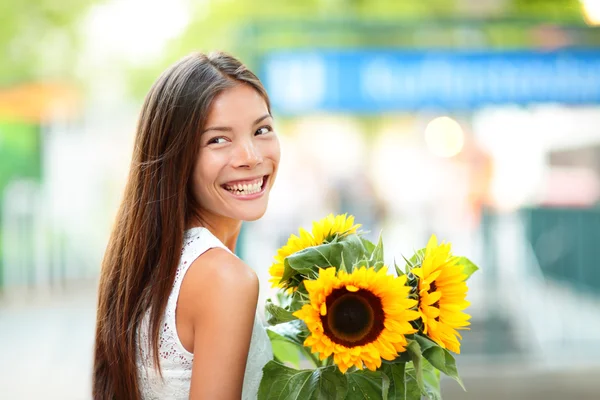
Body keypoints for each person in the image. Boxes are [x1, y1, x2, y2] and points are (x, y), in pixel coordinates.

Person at [93, 51, 279, 399]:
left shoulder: (153, 261)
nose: (252, 156)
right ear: (177, 156)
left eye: (262, 129)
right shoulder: (223, 278)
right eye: (218, 139)